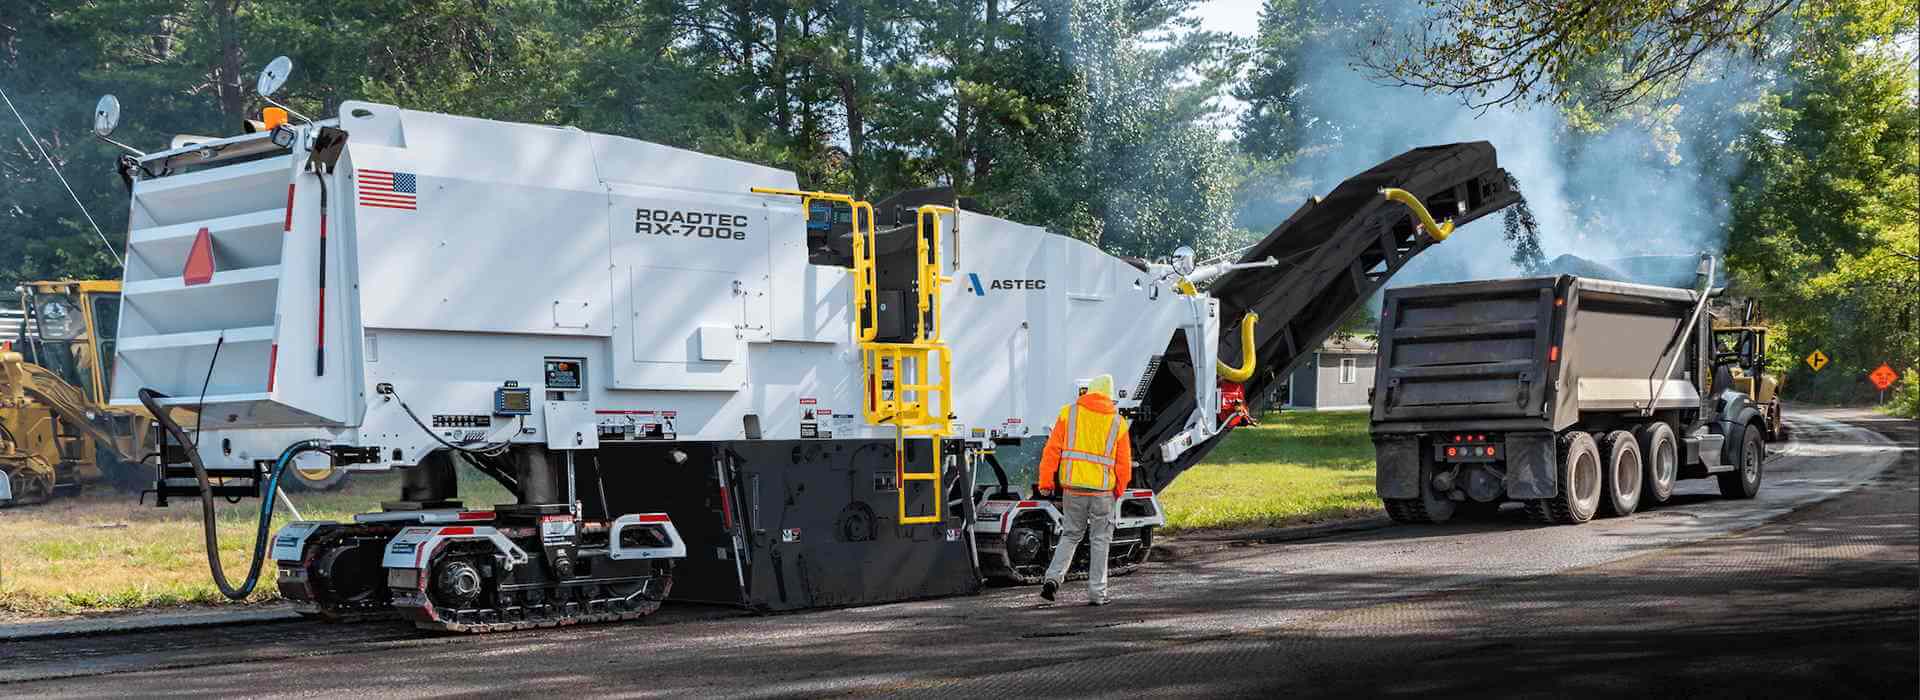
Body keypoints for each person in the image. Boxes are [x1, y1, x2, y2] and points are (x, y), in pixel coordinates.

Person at [1036, 374, 1132, 606]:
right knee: (1100, 540)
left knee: (1070, 535)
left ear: (1088, 392)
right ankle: (1098, 594)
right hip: (1102, 492)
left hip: (1073, 488)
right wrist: (1118, 490)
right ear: (1109, 396)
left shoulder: (1069, 414)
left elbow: (1051, 451)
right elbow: (1124, 464)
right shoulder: (1118, 423)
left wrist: (1046, 482)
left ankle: (1052, 580)